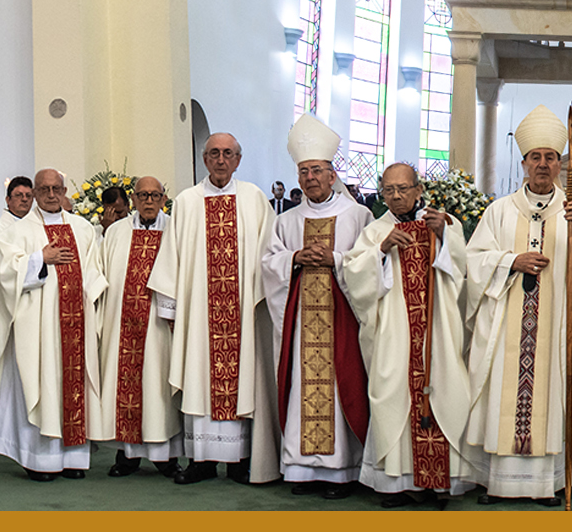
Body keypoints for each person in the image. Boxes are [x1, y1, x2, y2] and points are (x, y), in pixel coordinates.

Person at [463, 105, 572, 506]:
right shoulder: (499, 211)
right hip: (508, 322)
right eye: (536, 157)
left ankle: (545, 484)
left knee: (552, 392)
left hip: (556, 323)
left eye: (551, 157)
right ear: (523, 162)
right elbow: (475, 261)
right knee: (504, 393)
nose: (543, 164)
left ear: (560, 164)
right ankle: (498, 482)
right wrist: (511, 262)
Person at [340, 162, 475, 507]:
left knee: (443, 393)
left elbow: (462, 270)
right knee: (393, 396)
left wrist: (443, 236)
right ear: (382, 194)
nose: (396, 196)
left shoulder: (443, 222)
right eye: (389, 191)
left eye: (403, 189)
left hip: (437, 332)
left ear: (418, 190)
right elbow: (355, 276)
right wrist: (381, 252)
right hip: (395, 333)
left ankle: (438, 483)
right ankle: (397, 484)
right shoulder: (375, 231)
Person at [152, 133, 282, 485]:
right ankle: (202, 462)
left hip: (242, 313)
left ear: (238, 159)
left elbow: (271, 254)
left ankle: (240, 461)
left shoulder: (254, 199)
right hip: (198, 315)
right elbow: (171, 259)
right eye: (213, 154)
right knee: (198, 375)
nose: (221, 160)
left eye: (227, 154)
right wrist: (172, 311)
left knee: (243, 382)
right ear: (204, 159)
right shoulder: (187, 201)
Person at [263, 115, 375, 499]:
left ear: (332, 175)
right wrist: (294, 257)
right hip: (301, 323)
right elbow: (269, 263)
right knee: (301, 387)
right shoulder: (286, 219)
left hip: (340, 318)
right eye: (303, 171)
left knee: (339, 384)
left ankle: (339, 472)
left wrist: (337, 261)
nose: (310, 178)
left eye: (317, 170)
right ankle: (300, 469)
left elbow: (369, 262)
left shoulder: (357, 215)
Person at [0, 169, 108, 481]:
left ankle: (73, 458)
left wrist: (94, 292)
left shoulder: (83, 228)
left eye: (57, 188)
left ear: (65, 189)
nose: (51, 194)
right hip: (38, 328)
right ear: (35, 192)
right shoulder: (19, 231)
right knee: (41, 385)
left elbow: (95, 268)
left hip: (76, 325)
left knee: (73, 385)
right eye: (44, 189)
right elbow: (7, 274)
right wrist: (39, 259)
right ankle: (39, 460)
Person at [99, 176, 181, 478]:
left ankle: (166, 457)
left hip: (162, 326)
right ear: (133, 199)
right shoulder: (116, 232)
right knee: (126, 385)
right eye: (143, 195)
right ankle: (127, 455)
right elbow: (102, 272)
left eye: (155, 195)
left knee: (159, 386)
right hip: (121, 323)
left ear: (164, 199)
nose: (148, 201)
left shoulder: (175, 229)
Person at [0, 175, 36, 432]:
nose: (24, 200)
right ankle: (3, 425)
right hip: (8, 305)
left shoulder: (38, 226)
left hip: (34, 306)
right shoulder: (0, 228)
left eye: (28, 196)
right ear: (7, 200)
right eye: (18, 196)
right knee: (10, 365)